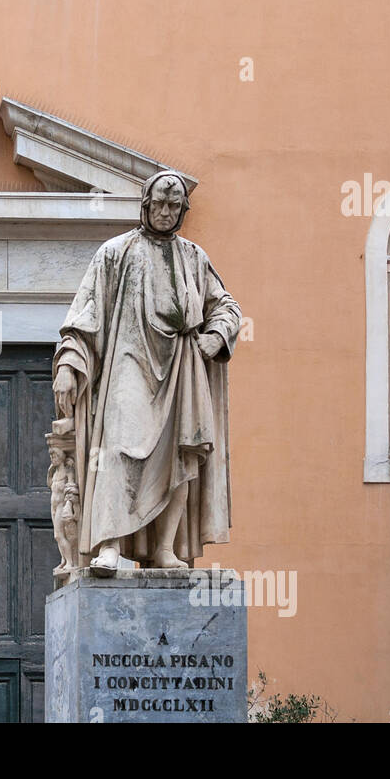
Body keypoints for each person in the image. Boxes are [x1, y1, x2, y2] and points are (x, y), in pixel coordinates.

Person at [52, 171, 241, 573]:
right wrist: (69, 361)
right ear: (145, 203)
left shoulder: (194, 257)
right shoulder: (115, 253)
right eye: (159, 203)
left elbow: (226, 305)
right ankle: (109, 544)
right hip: (129, 362)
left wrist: (216, 336)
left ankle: (165, 549)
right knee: (118, 447)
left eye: (174, 206)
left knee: (183, 452)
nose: (166, 212)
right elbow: (86, 313)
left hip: (183, 366)